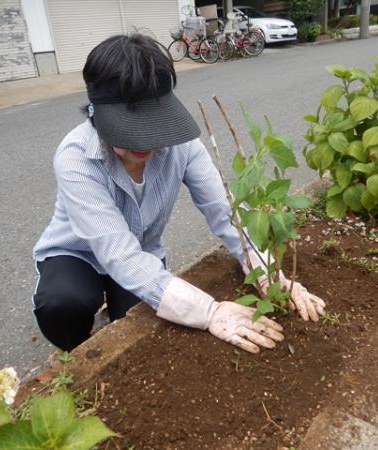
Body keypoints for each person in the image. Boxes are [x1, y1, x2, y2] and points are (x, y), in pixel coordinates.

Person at [32, 33, 325, 354]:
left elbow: (224, 210)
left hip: (143, 252)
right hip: (79, 253)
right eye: (131, 130)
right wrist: (211, 311)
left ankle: (112, 316)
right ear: (95, 114)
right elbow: (117, 254)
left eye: (153, 127)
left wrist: (268, 271)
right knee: (63, 301)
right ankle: (77, 351)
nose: (145, 143)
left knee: (134, 325)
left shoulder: (179, 144)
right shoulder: (76, 157)